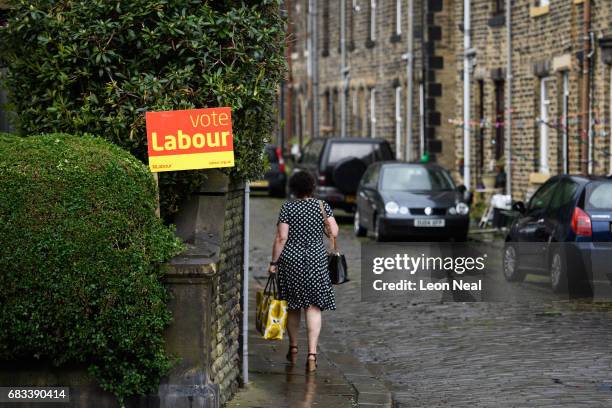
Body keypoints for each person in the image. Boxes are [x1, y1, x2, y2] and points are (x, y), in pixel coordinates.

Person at [268, 171, 339, 373]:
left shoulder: (288, 207)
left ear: (293, 188)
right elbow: (333, 232)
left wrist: (274, 262)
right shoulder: (322, 206)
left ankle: (293, 347)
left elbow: (281, 238)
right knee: (313, 307)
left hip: (291, 261)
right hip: (316, 260)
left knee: (293, 306)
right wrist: (324, 226)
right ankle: (312, 355)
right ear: (312, 187)